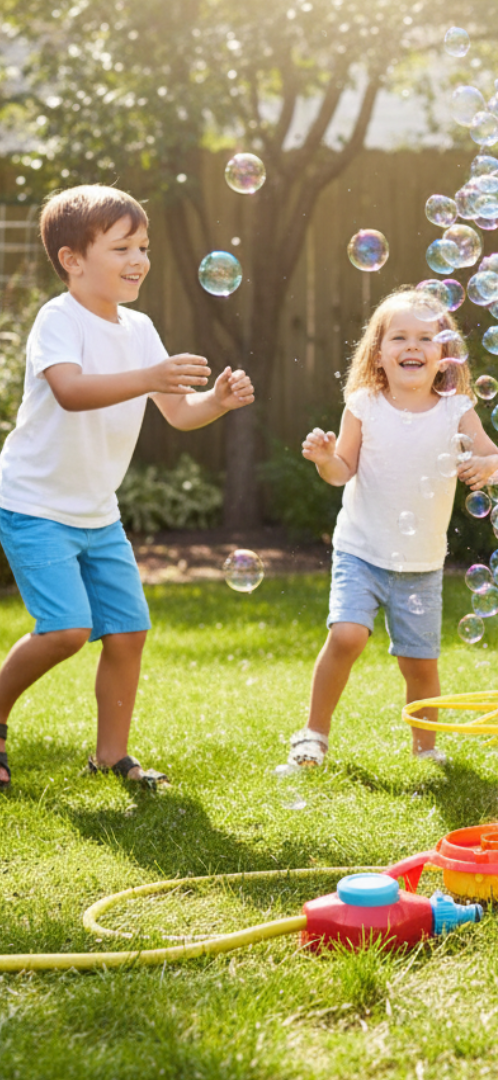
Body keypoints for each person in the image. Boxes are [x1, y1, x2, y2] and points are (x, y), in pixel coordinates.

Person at [0, 184, 255, 793]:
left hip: (97, 510)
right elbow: (70, 389)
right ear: (73, 260)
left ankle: (111, 755)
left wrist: (214, 402)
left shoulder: (139, 327)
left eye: (142, 246)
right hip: (35, 504)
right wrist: (148, 376)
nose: (139, 258)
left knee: (128, 630)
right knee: (64, 629)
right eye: (122, 247)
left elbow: (177, 412)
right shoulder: (58, 319)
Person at [287, 287, 498, 769]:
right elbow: (343, 470)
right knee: (346, 635)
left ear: (443, 353)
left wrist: (487, 469)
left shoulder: (456, 408)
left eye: (425, 338)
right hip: (360, 549)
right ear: (379, 353)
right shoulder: (364, 403)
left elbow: (495, 456)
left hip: (420, 563)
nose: (412, 346)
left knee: (419, 664)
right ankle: (313, 736)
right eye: (399, 337)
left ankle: (426, 751)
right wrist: (326, 458)